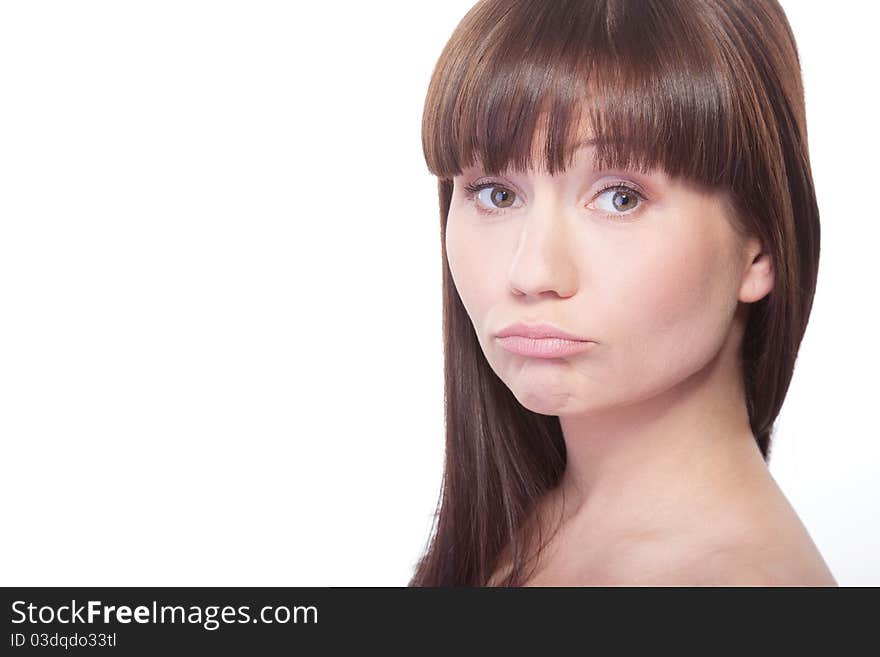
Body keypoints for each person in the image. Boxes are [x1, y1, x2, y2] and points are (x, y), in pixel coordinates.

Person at [409, 0, 836, 586]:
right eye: (497, 194)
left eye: (620, 197)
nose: (531, 272)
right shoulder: (519, 530)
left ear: (758, 248)